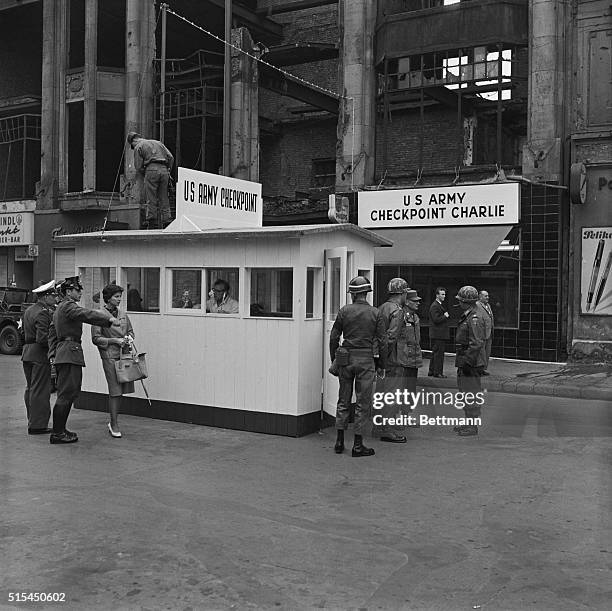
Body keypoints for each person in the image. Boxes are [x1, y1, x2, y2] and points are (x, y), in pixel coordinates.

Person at [48, 277, 120, 444]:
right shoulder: (68, 306)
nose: (81, 292)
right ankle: (58, 433)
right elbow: (86, 314)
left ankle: (60, 430)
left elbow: (52, 332)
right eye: (77, 289)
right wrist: (107, 319)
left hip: (64, 353)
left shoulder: (60, 308)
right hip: (69, 353)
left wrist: (53, 354)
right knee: (67, 394)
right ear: (68, 292)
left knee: (67, 393)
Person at [329, 276, 386, 457]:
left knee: (343, 399)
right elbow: (383, 342)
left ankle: (339, 441)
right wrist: (381, 364)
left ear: (352, 294)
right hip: (366, 359)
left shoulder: (344, 311)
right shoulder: (375, 313)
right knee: (363, 402)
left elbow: (333, 337)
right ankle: (358, 445)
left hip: (346, 359)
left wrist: (335, 359)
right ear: (366, 293)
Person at [91, 284, 135, 438]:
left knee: (121, 390)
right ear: (108, 298)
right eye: (116, 297)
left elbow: (130, 332)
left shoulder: (123, 314)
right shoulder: (99, 315)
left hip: (124, 355)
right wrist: (115, 340)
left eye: (120, 296)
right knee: (115, 390)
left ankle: (114, 420)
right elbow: (96, 338)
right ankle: (114, 423)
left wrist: (128, 339)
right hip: (109, 356)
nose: (119, 299)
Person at [375, 277, 410, 443]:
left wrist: (379, 360)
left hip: (383, 359)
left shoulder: (381, 308)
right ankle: (386, 430)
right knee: (392, 394)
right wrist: (385, 359)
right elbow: (391, 337)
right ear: (402, 293)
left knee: (381, 393)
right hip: (394, 359)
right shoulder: (398, 310)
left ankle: (379, 425)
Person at [21, 280, 57, 435]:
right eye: (53, 295)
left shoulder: (29, 310)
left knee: (30, 388)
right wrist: (54, 348)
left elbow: (23, 332)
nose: (55, 298)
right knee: (41, 390)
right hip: (39, 355)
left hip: (27, 353)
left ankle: (32, 419)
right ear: (46, 296)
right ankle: (38, 425)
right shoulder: (43, 312)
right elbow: (43, 338)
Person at [454, 285, 487, 436]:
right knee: (465, 393)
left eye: (461, 300)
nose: (459, 303)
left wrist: (468, 362)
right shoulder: (469, 314)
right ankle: (468, 422)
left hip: (471, 362)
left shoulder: (474, 317)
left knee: (471, 393)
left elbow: (476, 342)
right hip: (466, 359)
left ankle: (472, 425)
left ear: (466, 302)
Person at [127, 131, 174, 229]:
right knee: (164, 197)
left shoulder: (138, 146)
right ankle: (167, 221)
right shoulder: (158, 143)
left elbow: (138, 167)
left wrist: (147, 173)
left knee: (151, 197)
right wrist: (168, 170)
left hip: (151, 169)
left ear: (133, 141)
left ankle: (152, 222)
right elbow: (171, 157)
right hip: (164, 170)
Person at [428, 286, 449, 378]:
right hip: (438, 334)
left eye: (444, 294)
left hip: (437, 334)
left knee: (435, 353)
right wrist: (445, 316)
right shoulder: (435, 306)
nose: (444, 296)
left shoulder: (437, 305)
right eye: (442, 294)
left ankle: (432, 371)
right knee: (439, 354)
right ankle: (437, 372)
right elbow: (436, 319)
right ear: (437, 295)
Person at [477, 289, 494, 374]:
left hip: (489, 333)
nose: (488, 297)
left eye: (488, 296)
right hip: (482, 333)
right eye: (485, 296)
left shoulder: (488, 305)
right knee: (481, 352)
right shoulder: (477, 305)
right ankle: (479, 369)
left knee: (487, 352)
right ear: (480, 297)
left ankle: (483, 368)